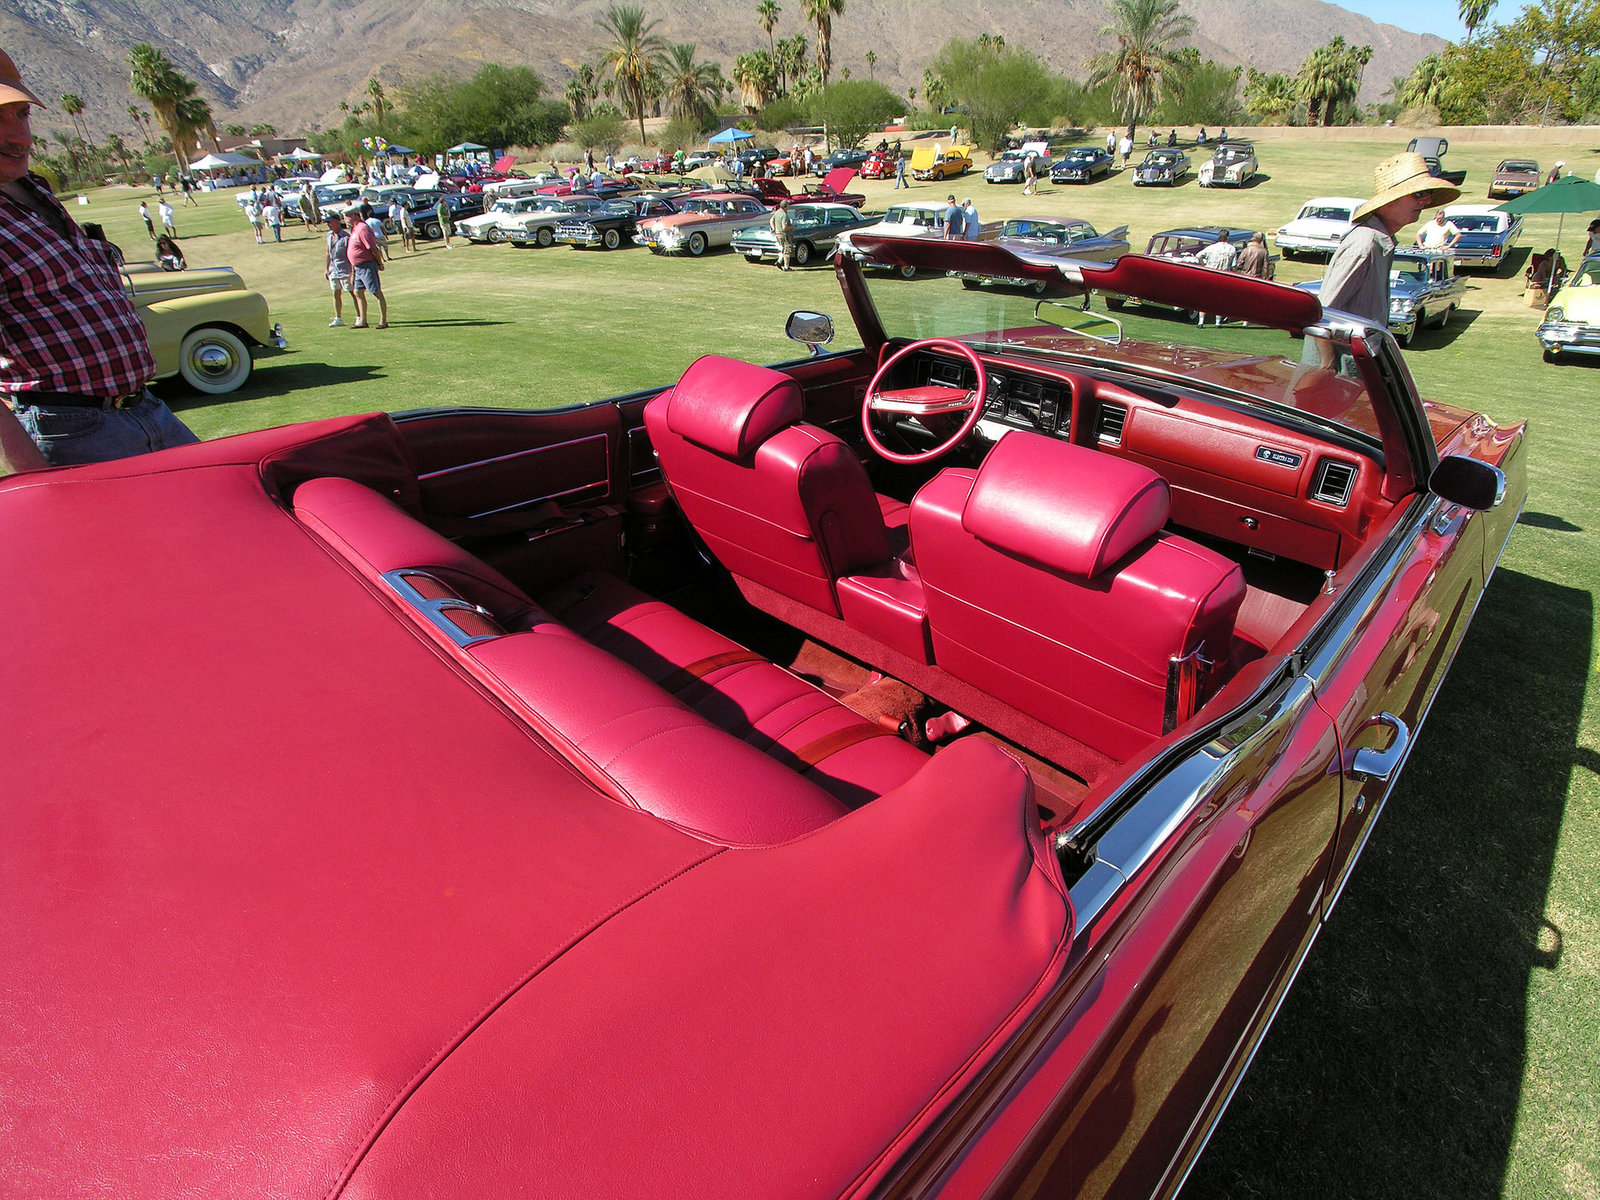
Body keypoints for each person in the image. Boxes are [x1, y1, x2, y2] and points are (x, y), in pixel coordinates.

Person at [0, 47, 199, 465]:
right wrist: (31, 470)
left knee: (221, 512)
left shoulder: (36, 192)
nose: (20, 136)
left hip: (145, 407)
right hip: (67, 427)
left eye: (21, 114)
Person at [1319, 151, 1459, 361]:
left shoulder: (1380, 243)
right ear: (1389, 201)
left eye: (1427, 193)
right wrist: (1328, 369)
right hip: (1342, 373)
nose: (1426, 200)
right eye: (1419, 194)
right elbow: (1323, 314)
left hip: (1358, 367)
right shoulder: (1364, 245)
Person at [345, 205, 387, 329]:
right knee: (357, 292)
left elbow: (373, 248)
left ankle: (383, 321)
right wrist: (353, 272)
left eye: (346, 216)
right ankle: (363, 321)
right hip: (358, 267)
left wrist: (380, 263)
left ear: (353, 215)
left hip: (367, 265)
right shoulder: (354, 229)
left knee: (376, 292)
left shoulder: (363, 228)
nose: (345, 219)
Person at [324, 213, 352, 326]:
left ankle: (360, 316)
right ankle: (338, 318)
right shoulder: (329, 235)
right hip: (333, 269)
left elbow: (350, 254)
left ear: (337, 221)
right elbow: (328, 253)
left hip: (345, 269)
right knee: (336, 292)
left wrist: (352, 271)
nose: (328, 225)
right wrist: (326, 269)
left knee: (352, 292)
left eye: (330, 222)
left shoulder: (346, 237)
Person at [769, 198, 793, 270]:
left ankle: (779, 261)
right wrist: (793, 227)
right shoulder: (784, 215)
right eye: (788, 205)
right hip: (784, 235)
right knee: (787, 250)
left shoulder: (777, 212)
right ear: (785, 206)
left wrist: (773, 228)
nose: (789, 206)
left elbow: (771, 220)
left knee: (783, 249)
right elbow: (784, 227)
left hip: (777, 234)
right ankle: (786, 267)